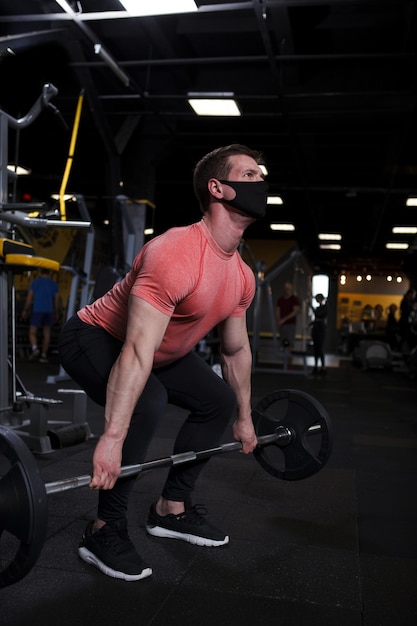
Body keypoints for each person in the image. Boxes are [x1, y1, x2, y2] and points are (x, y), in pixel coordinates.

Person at [58, 144, 268, 582]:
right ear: (219, 188)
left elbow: (234, 351)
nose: (262, 181)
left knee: (216, 400)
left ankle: (170, 509)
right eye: (250, 174)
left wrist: (245, 417)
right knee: (147, 399)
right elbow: (135, 351)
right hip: (94, 338)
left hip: (162, 351)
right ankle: (104, 528)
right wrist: (112, 438)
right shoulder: (175, 252)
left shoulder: (242, 275)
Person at [21, 267, 60, 363]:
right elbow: (56, 300)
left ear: (40, 272)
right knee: (46, 334)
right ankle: (43, 356)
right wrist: (56, 312)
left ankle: (35, 349)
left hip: (38, 310)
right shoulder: (53, 284)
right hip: (49, 311)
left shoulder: (35, 282)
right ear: (50, 272)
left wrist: (25, 310)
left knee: (32, 332)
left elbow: (29, 298)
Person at [276, 282, 300, 354]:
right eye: (286, 289)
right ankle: (284, 361)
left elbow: (295, 311)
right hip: (282, 325)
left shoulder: (294, 299)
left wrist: (284, 319)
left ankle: (289, 362)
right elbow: (278, 311)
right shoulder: (280, 300)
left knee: (290, 343)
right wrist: (279, 321)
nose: (287, 290)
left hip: (290, 324)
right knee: (283, 342)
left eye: (288, 289)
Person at [310, 293, 328, 375]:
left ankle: (323, 366)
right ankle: (316, 366)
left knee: (320, 348)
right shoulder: (319, 308)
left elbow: (319, 315)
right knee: (316, 349)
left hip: (320, 329)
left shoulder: (324, 308)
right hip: (317, 328)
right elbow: (317, 318)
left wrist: (311, 307)